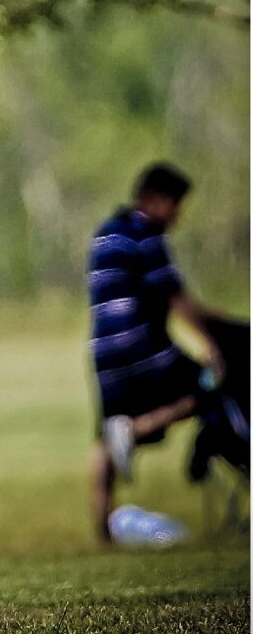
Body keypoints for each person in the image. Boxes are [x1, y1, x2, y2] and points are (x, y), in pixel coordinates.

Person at [86, 162, 228, 543]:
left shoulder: (105, 234)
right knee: (208, 388)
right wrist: (212, 344)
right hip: (144, 350)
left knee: (104, 437)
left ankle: (103, 531)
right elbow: (173, 297)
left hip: (104, 355)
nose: (178, 215)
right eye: (176, 205)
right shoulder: (146, 235)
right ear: (156, 200)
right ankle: (137, 429)